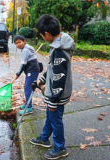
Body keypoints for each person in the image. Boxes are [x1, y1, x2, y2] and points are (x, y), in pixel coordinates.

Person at [29, 14, 75, 159]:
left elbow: (59, 77)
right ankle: (44, 138)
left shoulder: (59, 50)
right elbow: (52, 68)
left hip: (57, 94)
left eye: (42, 35)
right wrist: (42, 79)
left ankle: (60, 147)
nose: (42, 37)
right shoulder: (60, 43)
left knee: (55, 119)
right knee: (50, 115)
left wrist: (54, 100)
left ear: (47, 34)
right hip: (56, 92)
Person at [14, 34, 40, 115]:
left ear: (24, 41)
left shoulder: (25, 50)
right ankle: (27, 104)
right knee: (27, 88)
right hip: (31, 70)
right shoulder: (26, 48)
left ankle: (29, 108)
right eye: (16, 43)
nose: (18, 44)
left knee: (28, 88)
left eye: (19, 42)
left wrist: (18, 74)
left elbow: (23, 64)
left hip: (32, 71)